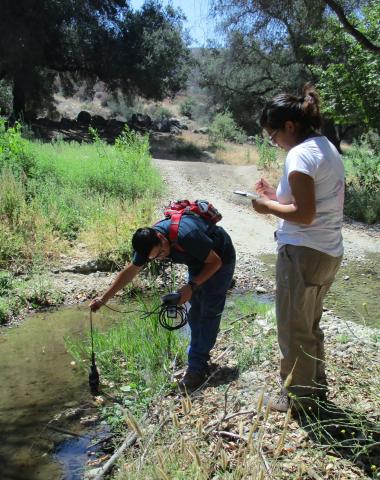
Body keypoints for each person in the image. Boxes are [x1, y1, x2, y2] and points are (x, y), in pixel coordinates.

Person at [252, 84, 344, 412]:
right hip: (327, 251)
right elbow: (310, 201)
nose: (274, 142)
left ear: (290, 127)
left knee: (293, 327)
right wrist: (276, 198)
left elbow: (304, 215)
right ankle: (316, 389)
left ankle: (299, 399)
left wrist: (266, 208)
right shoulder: (326, 147)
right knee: (310, 324)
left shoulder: (299, 154)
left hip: (303, 251)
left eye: (273, 134)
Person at [90, 211, 236, 391]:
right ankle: (199, 357)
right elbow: (131, 271)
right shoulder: (149, 245)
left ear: (161, 238)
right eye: (154, 258)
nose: (160, 258)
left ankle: (196, 369)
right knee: (195, 312)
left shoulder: (186, 234)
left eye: (160, 253)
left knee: (208, 312)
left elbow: (215, 262)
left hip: (221, 257)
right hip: (197, 261)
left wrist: (191, 286)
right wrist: (104, 298)